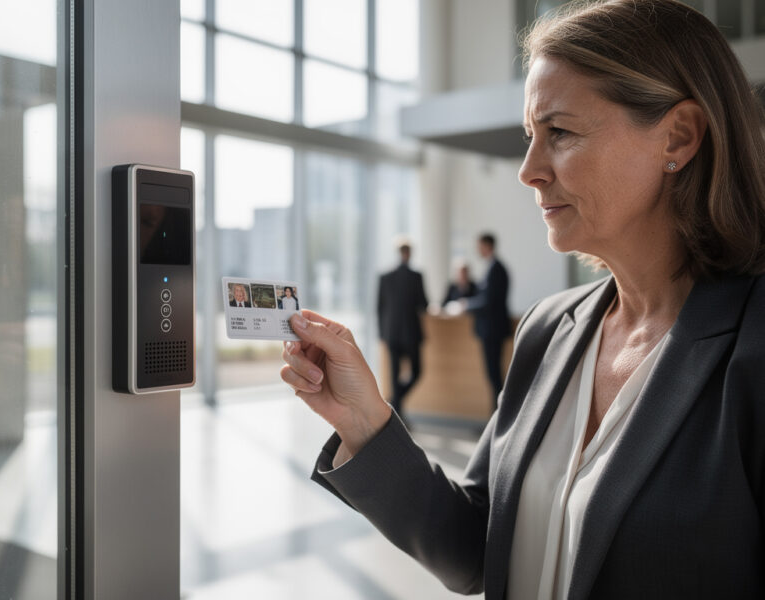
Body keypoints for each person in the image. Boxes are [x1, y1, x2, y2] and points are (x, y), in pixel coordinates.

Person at [280, 1, 765, 598]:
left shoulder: (752, 347)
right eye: (531, 136)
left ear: (679, 136)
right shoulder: (549, 329)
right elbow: (477, 552)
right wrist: (364, 421)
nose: (529, 170)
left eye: (559, 132)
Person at [376, 240, 429, 419]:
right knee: (416, 372)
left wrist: (382, 333)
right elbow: (424, 304)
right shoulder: (416, 277)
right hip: (410, 333)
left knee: (395, 375)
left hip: (392, 334)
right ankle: (396, 406)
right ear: (409, 253)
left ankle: (394, 403)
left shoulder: (385, 277)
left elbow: (379, 308)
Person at [465, 233, 511, 408]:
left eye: (479, 246)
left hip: (493, 329)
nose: (478, 250)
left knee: (494, 374)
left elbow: (489, 301)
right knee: (492, 374)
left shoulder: (496, 269)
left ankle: (498, 416)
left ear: (487, 245)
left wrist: (467, 305)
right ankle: (495, 416)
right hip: (490, 329)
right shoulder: (491, 267)